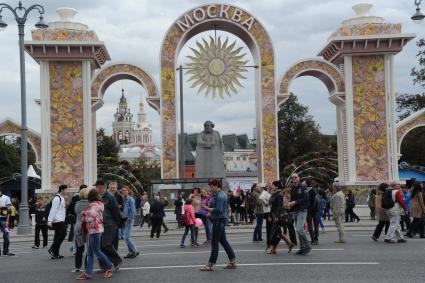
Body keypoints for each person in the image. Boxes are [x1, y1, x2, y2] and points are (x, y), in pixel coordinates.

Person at [77, 188, 113, 280]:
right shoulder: (99, 204)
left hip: (94, 231)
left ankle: (109, 266)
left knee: (96, 252)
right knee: (90, 253)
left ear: (90, 196)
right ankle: (88, 273)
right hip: (95, 230)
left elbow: (90, 218)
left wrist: (83, 214)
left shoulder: (93, 206)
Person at [200, 179, 236, 271]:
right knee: (223, 241)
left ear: (217, 186)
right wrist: (209, 213)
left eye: (212, 186)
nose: (211, 188)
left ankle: (210, 264)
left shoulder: (220, 196)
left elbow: (219, 210)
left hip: (219, 221)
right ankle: (232, 261)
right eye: (210, 186)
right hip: (218, 220)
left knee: (214, 243)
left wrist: (207, 209)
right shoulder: (217, 195)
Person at [95, 179, 122, 271]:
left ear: (102, 187)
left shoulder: (109, 196)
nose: (97, 189)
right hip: (99, 224)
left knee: (105, 244)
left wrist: (118, 222)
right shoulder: (97, 196)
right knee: (99, 246)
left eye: (98, 187)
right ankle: (104, 266)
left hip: (109, 224)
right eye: (96, 187)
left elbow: (116, 210)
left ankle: (117, 260)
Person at [266, 182, 294, 255]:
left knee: (275, 231)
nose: (271, 186)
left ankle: (273, 249)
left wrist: (277, 216)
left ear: (276, 186)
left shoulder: (279, 195)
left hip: (276, 215)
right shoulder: (274, 193)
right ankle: (289, 243)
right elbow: (271, 205)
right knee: (278, 231)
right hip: (273, 214)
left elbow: (279, 206)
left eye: (273, 185)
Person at [289, 174, 311, 255]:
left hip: (302, 210)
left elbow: (305, 198)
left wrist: (295, 202)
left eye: (295, 177)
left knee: (299, 229)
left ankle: (308, 244)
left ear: (299, 178)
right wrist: (288, 203)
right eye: (292, 177)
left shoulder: (302, 187)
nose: (294, 178)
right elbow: (290, 198)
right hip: (295, 210)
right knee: (298, 231)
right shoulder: (291, 187)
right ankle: (302, 248)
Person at [48, 184, 68, 259]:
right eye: (66, 190)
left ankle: (56, 253)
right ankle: (52, 248)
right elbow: (53, 209)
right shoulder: (57, 198)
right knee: (63, 234)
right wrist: (49, 221)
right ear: (62, 190)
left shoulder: (62, 198)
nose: (67, 191)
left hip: (61, 219)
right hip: (57, 220)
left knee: (57, 236)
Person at [74, 187, 90, 273]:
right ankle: (87, 266)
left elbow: (75, 212)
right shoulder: (90, 203)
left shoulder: (77, 203)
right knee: (88, 247)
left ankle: (77, 266)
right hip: (86, 226)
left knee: (79, 247)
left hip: (77, 226)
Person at [121, 186, 139, 258]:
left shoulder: (130, 199)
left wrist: (129, 219)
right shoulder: (124, 199)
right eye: (122, 190)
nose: (123, 191)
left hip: (129, 220)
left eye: (125, 190)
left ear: (128, 191)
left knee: (127, 236)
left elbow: (133, 211)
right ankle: (131, 252)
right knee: (125, 237)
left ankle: (135, 251)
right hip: (125, 219)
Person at [0, 187, 14, 256]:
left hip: (3, 219)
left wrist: (7, 220)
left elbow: (9, 210)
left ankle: (5, 251)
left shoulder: (6, 198)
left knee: (6, 236)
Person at [306, 180, 320, 245]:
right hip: (316, 210)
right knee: (316, 225)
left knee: (310, 225)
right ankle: (316, 239)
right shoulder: (316, 191)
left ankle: (312, 239)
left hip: (309, 210)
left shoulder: (307, 191)